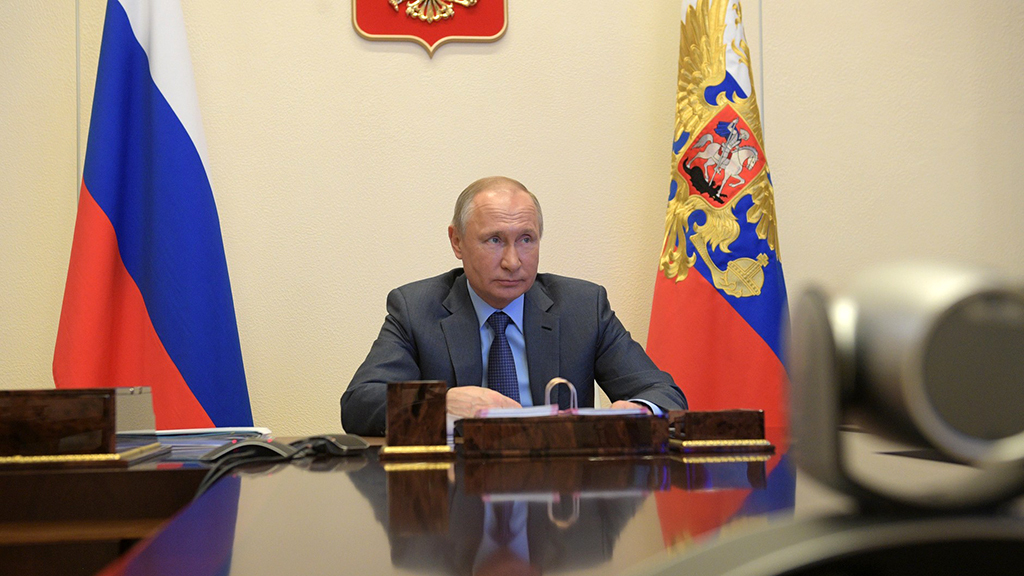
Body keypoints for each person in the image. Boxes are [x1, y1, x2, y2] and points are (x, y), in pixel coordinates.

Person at [341, 176, 686, 436]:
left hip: (558, 498)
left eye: (526, 239)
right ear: (457, 241)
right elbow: (359, 404)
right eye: (494, 240)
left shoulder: (583, 307)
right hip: (457, 495)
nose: (513, 261)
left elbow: (663, 393)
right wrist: (439, 405)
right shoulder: (416, 309)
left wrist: (639, 411)